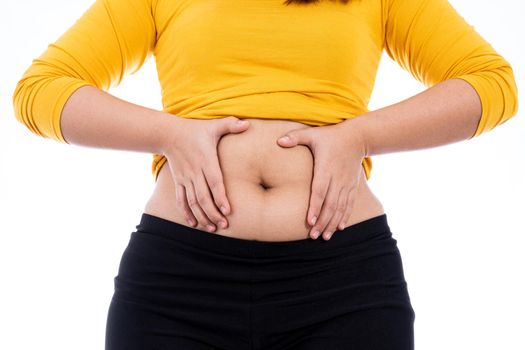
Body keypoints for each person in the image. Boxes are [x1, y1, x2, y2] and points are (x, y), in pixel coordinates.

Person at [12, 0, 518, 349]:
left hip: (341, 282)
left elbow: (490, 84)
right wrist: (168, 134)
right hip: (180, 284)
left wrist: (359, 137)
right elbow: (41, 90)